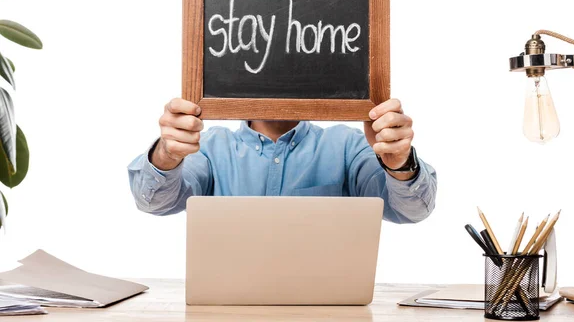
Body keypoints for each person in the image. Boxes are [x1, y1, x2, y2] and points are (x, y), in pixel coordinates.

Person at [128, 98, 437, 224]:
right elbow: (153, 202)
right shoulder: (209, 147)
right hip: (227, 308)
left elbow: (412, 211)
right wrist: (167, 155)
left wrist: (398, 161)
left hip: (328, 309)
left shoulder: (346, 145)